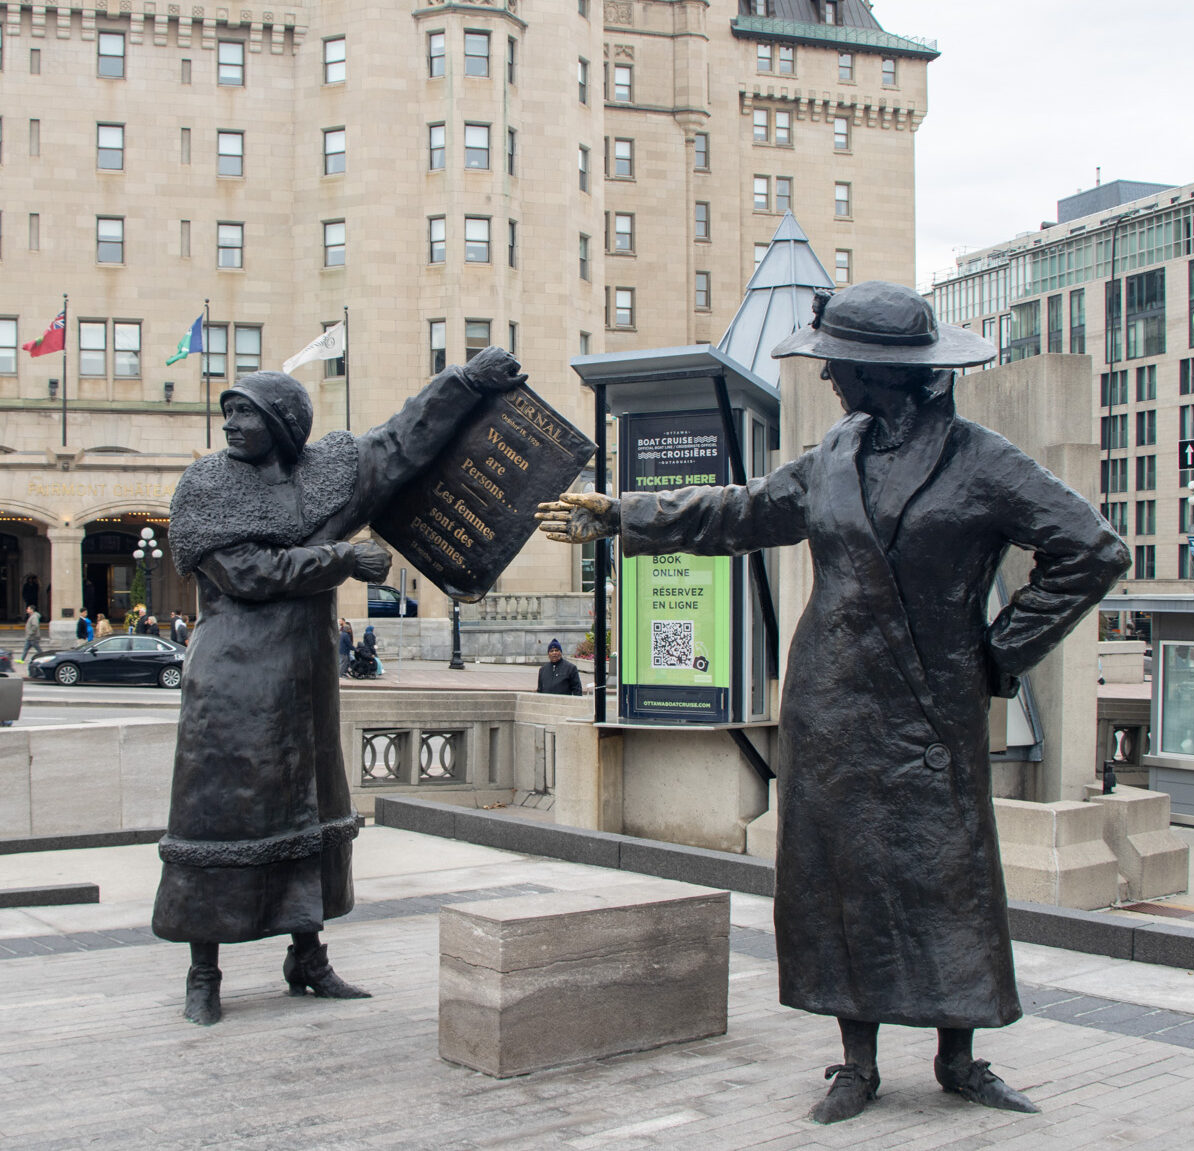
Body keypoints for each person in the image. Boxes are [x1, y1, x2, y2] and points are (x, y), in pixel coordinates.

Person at [538, 282, 1128, 1123]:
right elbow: (743, 511)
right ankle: (856, 1060)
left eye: (839, 367)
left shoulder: (983, 461)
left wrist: (996, 654)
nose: (832, 379)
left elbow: (1093, 551)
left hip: (927, 708)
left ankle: (959, 1053)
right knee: (839, 876)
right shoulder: (834, 453)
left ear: (881, 372)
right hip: (833, 703)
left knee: (946, 875)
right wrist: (624, 511)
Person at [157, 347, 529, 1026]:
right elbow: (244, 572)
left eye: (248, 413)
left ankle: (308, 954)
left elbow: (401, 438)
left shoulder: (328, 475)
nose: (233, 424)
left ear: (284, 421)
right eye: (228, 412)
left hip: (303, 681)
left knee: (309, 811)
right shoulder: (207, 486)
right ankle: (202, 970)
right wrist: (341, 557)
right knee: (217, 819)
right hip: (231, 683)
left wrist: (467, 379)